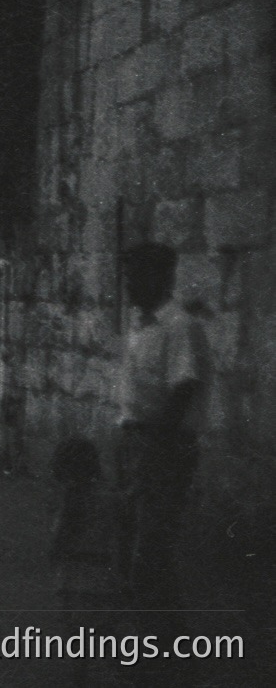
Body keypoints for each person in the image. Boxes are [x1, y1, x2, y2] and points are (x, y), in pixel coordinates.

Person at [114, 242, 209, 612]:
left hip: (163, 447)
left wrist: (153, 450)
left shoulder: (178, 327)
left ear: (160, 277)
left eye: (135, 276)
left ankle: (163, 649)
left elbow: (183, 388)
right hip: (137, 441)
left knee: (150, 548)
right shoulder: (141, 326)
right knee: (132, 543)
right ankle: (155, 638)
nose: (128, 285)